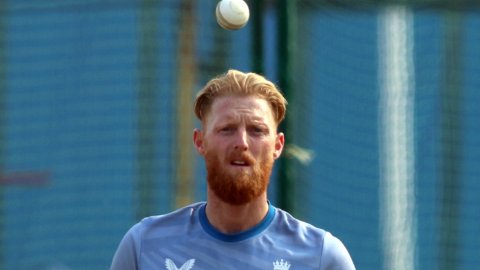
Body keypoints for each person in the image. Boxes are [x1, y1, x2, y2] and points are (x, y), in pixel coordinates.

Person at [110, 69, 356, 270]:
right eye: (226, 129)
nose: (242, 142)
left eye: (257, 130)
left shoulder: (322, 257)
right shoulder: (143, 246)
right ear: (200, 142)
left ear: (278, 145)